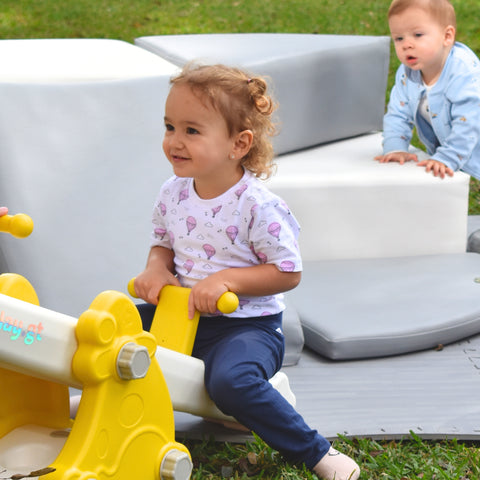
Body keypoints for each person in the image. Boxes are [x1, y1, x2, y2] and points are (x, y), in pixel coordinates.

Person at [132, 63, 360, 480]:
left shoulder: (257, 205)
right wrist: (155, 268)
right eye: (170, 127)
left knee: (231, 383)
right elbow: (163, 241)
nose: (174, 142)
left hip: (246, 327)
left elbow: (287, 271)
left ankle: (319, 454)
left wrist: (227, 280)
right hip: (181, 316)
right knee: (115, 330)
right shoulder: (173, 191)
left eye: (192, 131)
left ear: (239, 144)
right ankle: (95, 408)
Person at [375, 0, 480, 180]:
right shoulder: (407, 74)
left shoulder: (463, 73)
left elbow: (469, 122)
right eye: (399, 38)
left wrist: (448, 157)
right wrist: (395, 147)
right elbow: (397, 113)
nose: (406, 44)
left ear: (447, 36)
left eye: (417, 35)